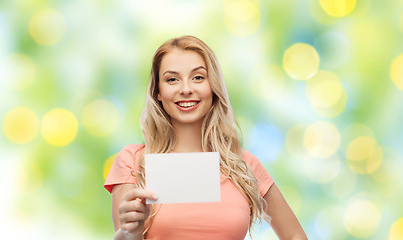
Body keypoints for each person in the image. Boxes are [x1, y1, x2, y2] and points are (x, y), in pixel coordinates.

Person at [104, 35, 307, 240]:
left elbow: (295, 236)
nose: (186, 89)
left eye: (198, 77)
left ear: (213, 86)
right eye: (172, 79)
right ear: (158, 91)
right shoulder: (134, 161)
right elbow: (124, 236)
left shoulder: (243, 165)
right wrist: (131, 232)